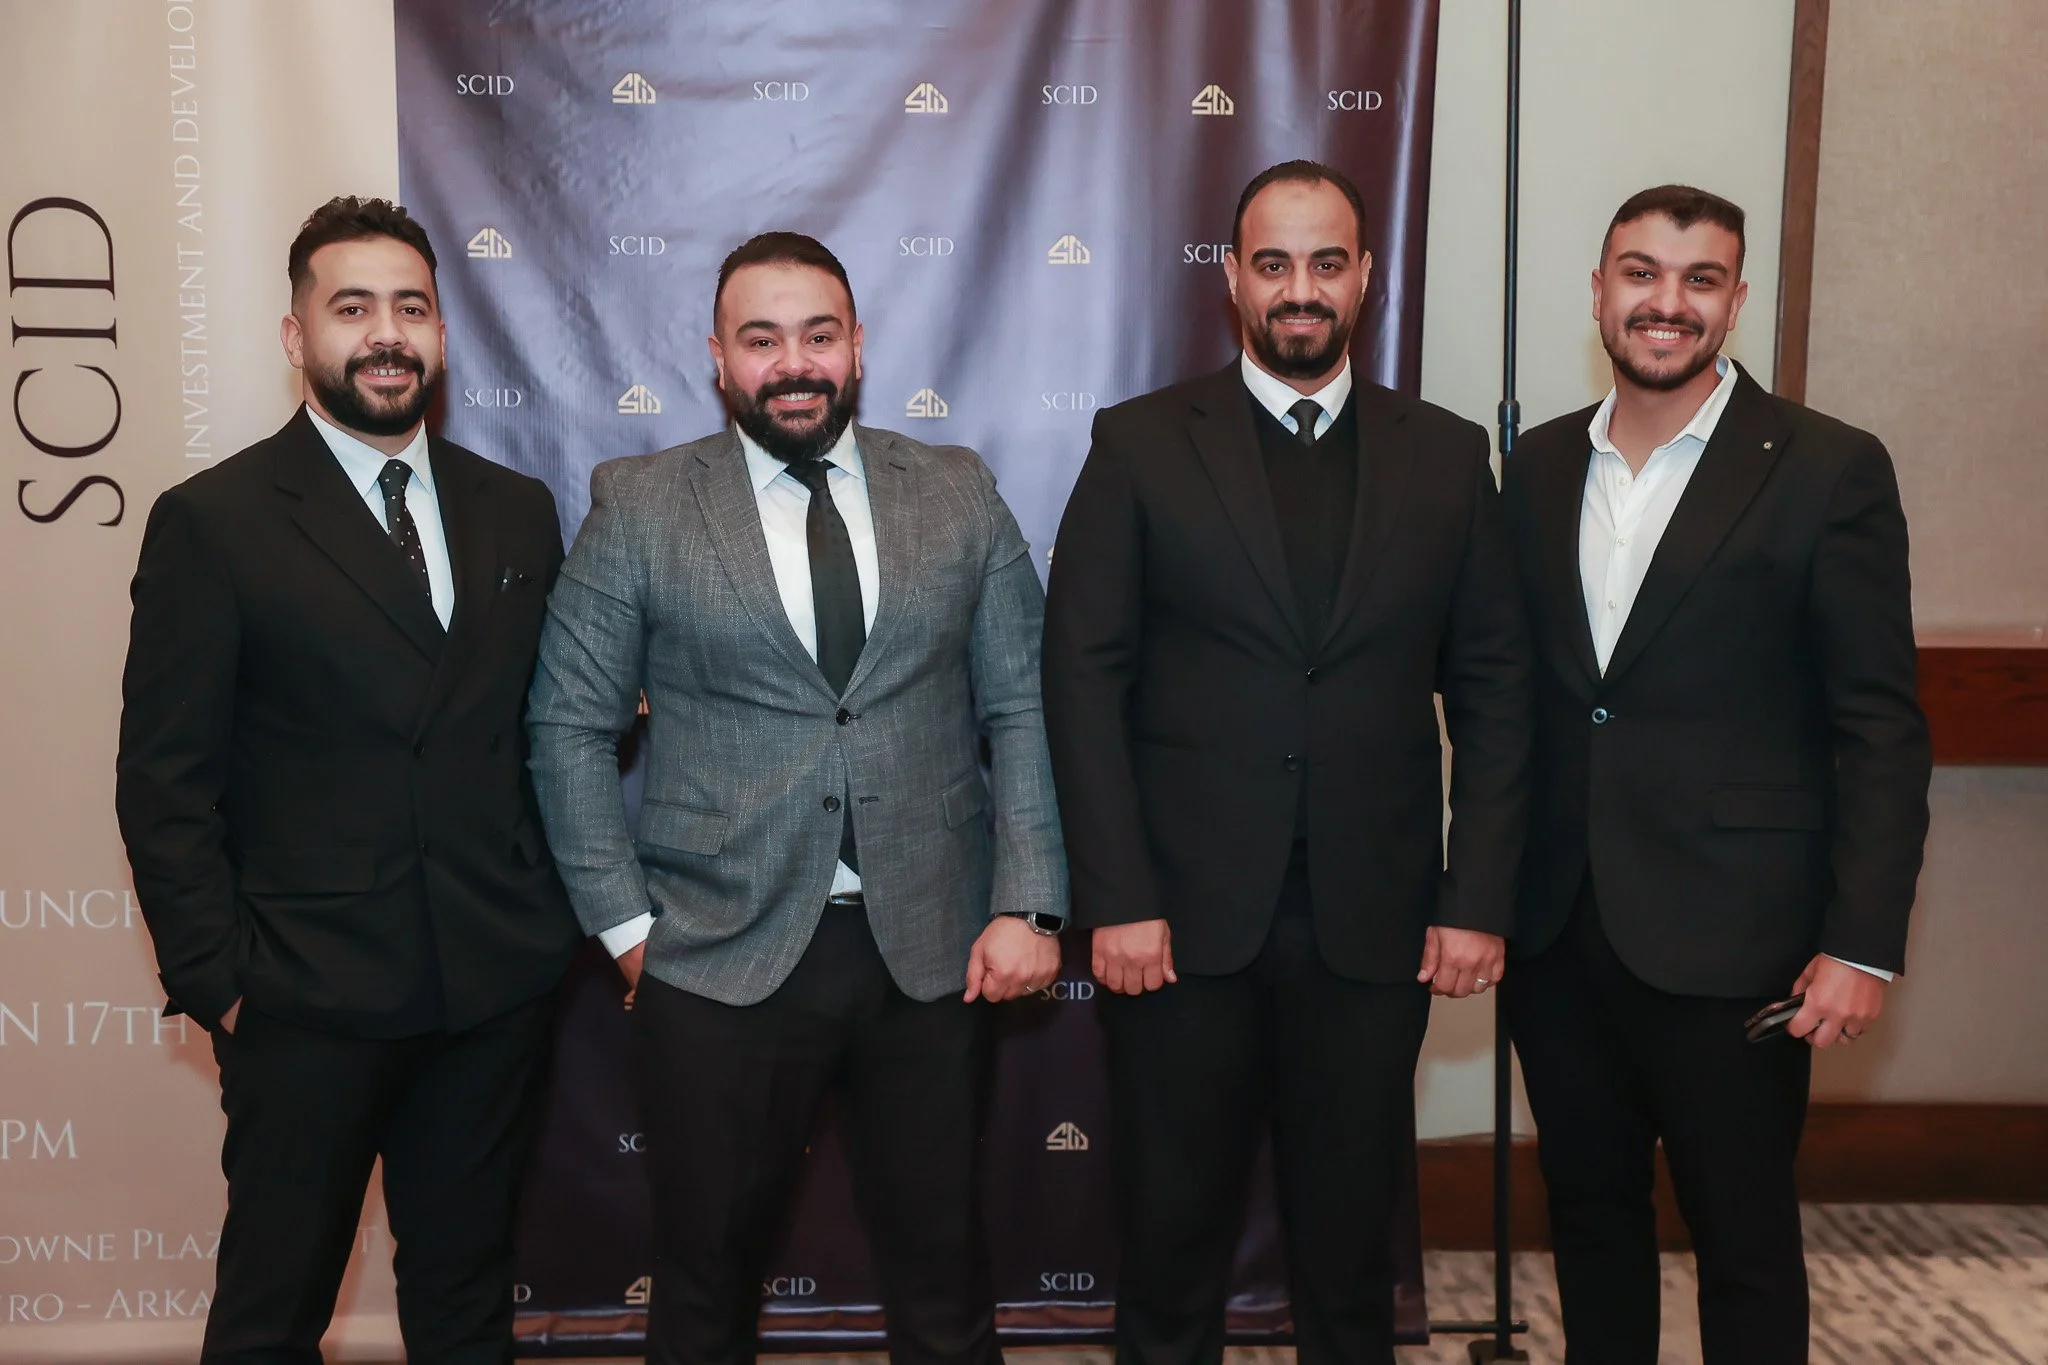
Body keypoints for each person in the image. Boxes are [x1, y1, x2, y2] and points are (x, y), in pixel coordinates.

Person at [526, 231, 1067, 1365]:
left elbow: (1020, 706)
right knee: (703, 1284)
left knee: (941, 1275)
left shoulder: (957, 489)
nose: (793, 363)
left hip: (928, 951)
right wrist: (629, 934)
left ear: (858, 347)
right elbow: (567, 728)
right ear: (716, 359)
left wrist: (1030, 900)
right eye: (761, 339)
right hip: (715, 956)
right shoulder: (640, 504)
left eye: (818, 334)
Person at [1041, 161, 1532, 1365]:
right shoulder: (1142, 443)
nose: (1299, 289)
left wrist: (1475, 900)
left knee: (1350, 1249)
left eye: (1325, 263)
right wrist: (1116, 897)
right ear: (1231, 278)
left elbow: (1496, 693)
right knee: (1168, 1245)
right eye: (1273, 263)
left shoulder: (1444, 454)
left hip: (1375, 928)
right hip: (1177, 928)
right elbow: (1080, 681)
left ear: (1365, 276)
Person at [115, 196, 582, 1363]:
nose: (386, 334)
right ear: (295, 336)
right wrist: (221, 983)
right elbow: (163, 779)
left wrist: (539, 929)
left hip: (487, 987)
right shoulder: (213, 522)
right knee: (275, 1310)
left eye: (410, 308)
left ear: (439, 332)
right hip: (302, 997)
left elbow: (543, 731)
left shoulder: (512, 507)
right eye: (353, 307)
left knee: (466, 1302)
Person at [1499, 183, 1933, 1364]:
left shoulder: (1826, 467)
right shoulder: (1533, 468)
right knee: (1586, 1221)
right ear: (1596, 292)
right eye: (1639, 273)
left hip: (1737, 943)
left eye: (1698, 280)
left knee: (1740, 1241)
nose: (1664, 303)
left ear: (1734, 302)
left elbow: (1878, 725)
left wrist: (1859, 942)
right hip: (1555, 930)